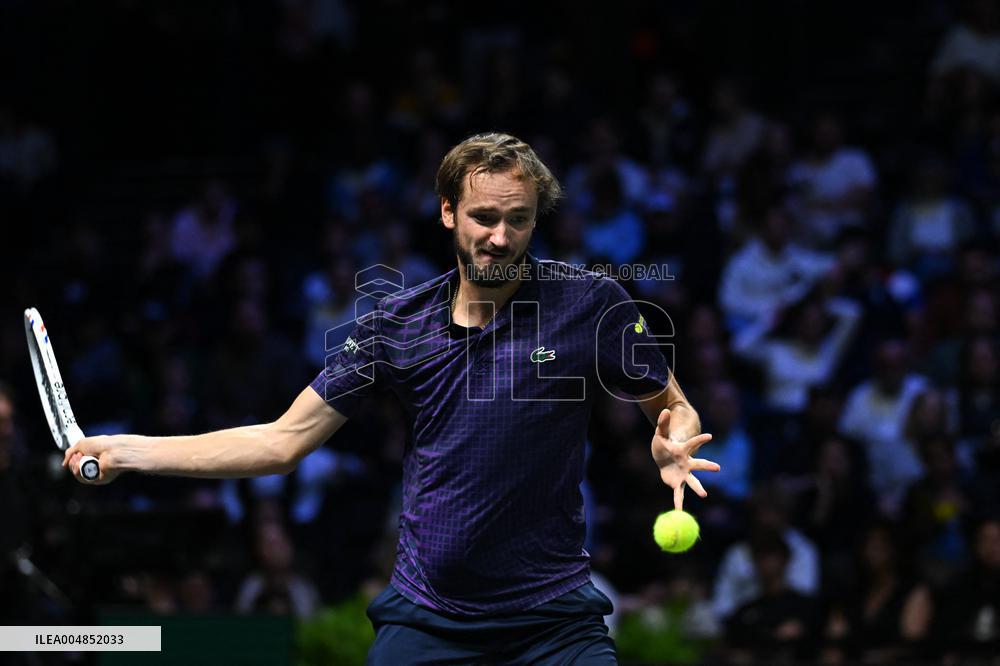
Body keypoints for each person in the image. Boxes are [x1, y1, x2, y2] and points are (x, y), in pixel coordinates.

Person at [63, 133, 718, 665]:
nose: (500, 237)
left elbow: (671, 404)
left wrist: (673, 436)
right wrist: (129, 449)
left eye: (518, 220)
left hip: (552, 621)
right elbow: (282, 441)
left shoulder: (591, 303)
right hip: (429, 621)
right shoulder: (393, 326)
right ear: (446, 212)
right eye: (483, 217)